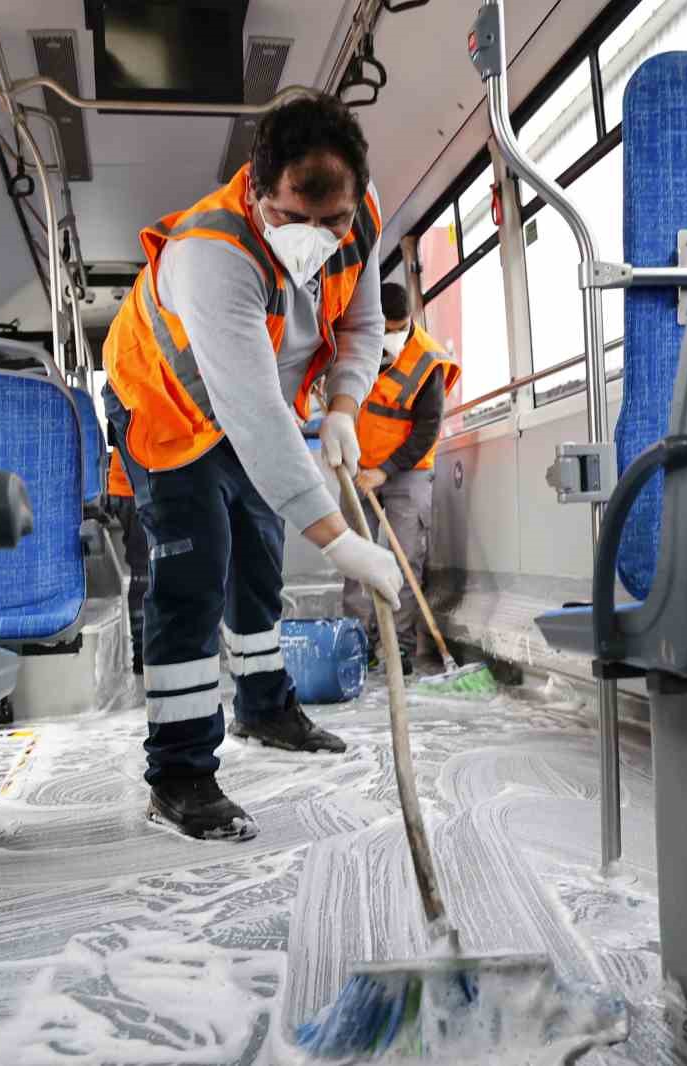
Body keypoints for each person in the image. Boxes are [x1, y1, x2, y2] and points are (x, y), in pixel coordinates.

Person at [102, 93, 404, 842]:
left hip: (250, 400)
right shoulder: (213, 253)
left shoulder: (357, 216)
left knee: (260, 560)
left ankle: (265, 707)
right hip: (168, 408)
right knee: (196, 567)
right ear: (259, 187)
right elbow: (258, 417)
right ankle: (179, 775)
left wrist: (341, 406)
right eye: (296, 218)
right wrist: (341, 542)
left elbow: (362, 326)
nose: (320, 237)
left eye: (333, 221)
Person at [342, 283, 459, 676]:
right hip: (358, 471)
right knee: (355, 558)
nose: (391, 334)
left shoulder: (427, 361)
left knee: (405, 561)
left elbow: (428, 430)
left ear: (410, 320)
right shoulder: (358, 344)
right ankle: (356, 649)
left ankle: (399, 650)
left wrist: (385, 471)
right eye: (385, 327)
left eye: (399, 326)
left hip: (406, 473)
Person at [104, 447, 148, 676]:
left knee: (143, 571)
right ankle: (144, 653)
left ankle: (142, 652)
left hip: (125, 482)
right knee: (147, 573)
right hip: (144, 483)